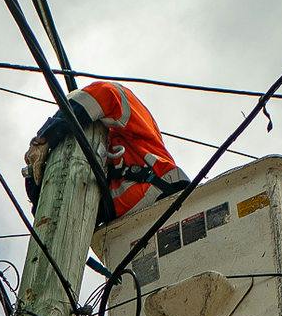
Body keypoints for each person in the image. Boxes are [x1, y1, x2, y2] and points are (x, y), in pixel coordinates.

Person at [23, 81, 190, 225]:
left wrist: (45, 138)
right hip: (125, 225)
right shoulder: (92, 176)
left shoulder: (129, 120)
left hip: (163, 190)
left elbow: (106, 93)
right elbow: (52, 215)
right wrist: (33, 174)